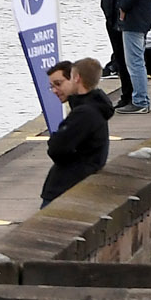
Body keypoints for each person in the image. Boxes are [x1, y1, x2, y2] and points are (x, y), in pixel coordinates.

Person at [42, 60, 112, 203]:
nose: (55, 90)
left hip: (67, 188)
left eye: (58, 84)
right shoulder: (94, 107)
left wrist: (56, 140)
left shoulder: (84, 113)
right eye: (52, 86)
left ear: (76, 78)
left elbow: (56, 148)